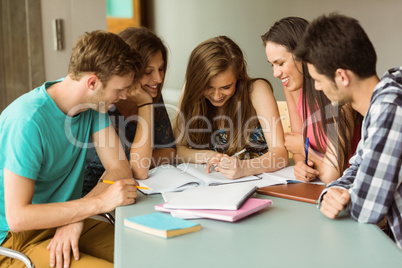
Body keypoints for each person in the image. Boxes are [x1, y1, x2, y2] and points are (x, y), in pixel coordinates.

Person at [0, 30, 142, 268]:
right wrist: (96, 205)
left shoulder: (93, 106)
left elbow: (119, 168)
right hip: (14, 241)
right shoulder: (27, 121)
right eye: (120, 89)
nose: (125, 95)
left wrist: (76, 218)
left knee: (145, 255)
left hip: (66, 219)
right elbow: (18, 217)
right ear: (92, 82)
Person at [294, 14, 402, 248]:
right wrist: (332, 193)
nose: (317, 87)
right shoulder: (379, 102)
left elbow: (368, 208)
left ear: (342, 77)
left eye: (318, 79)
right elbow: (356, 167)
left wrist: (346, 198)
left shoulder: (391, 109)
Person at [261, 17, 361, 184]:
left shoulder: (338, 94)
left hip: (349, 186)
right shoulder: (291, 86)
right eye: (272, 65)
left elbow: (332, 174)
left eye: (280, 63)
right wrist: (302, 166)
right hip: (317, 186)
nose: (275, 73)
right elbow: (297, 147)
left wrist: (302, 147)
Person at [173, 36, 288, 179]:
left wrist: (244, 168)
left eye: (226, 87)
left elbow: (280, 154)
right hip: (211, 187)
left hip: (259, 184)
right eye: (208, 87)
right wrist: (209, 156)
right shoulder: (191, 91)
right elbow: (175, 150)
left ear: (238, 76)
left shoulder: (257, 90)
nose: (216, 95)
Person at [84, 27, 176, 195]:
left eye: (161, 69)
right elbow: (139, 169)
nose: (159, 79)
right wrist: (145, 105)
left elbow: (169, 151)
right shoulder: (106, 103)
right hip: (95, 196)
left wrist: (140, 162)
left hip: (131, 192)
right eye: (149, 72)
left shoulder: (151, 92)